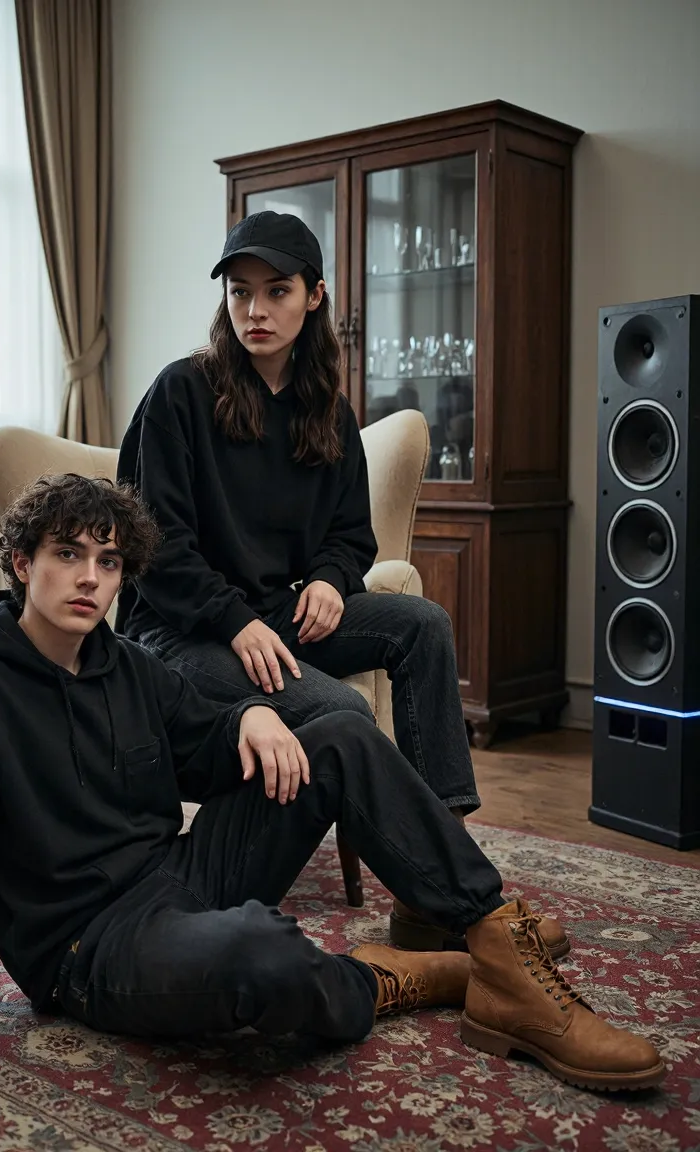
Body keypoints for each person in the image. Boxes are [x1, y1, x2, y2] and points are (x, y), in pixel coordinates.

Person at [0, 474, 664, 1092]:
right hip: (88, 945)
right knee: (263, 955)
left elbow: (205, 741)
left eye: (108, 560)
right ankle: (397, 975)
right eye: (67, 555)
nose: (89, 577)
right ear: (22, 563)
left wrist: (250, 721)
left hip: (182, 874)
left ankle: (491, 942)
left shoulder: (127, 664)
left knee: (339, 731)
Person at [115, 211, 551, 953]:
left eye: (276, 291)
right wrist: (235, 622)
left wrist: (329, 579)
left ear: (313, 296)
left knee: (423, 625)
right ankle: (460, 902)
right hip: (180, 631)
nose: (255, 310)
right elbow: (153, 548)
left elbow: (353, 534)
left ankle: (436, 869)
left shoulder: (327, 412)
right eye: (241, 293)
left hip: (273, 618)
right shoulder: (180, 394)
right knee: (339, 709)